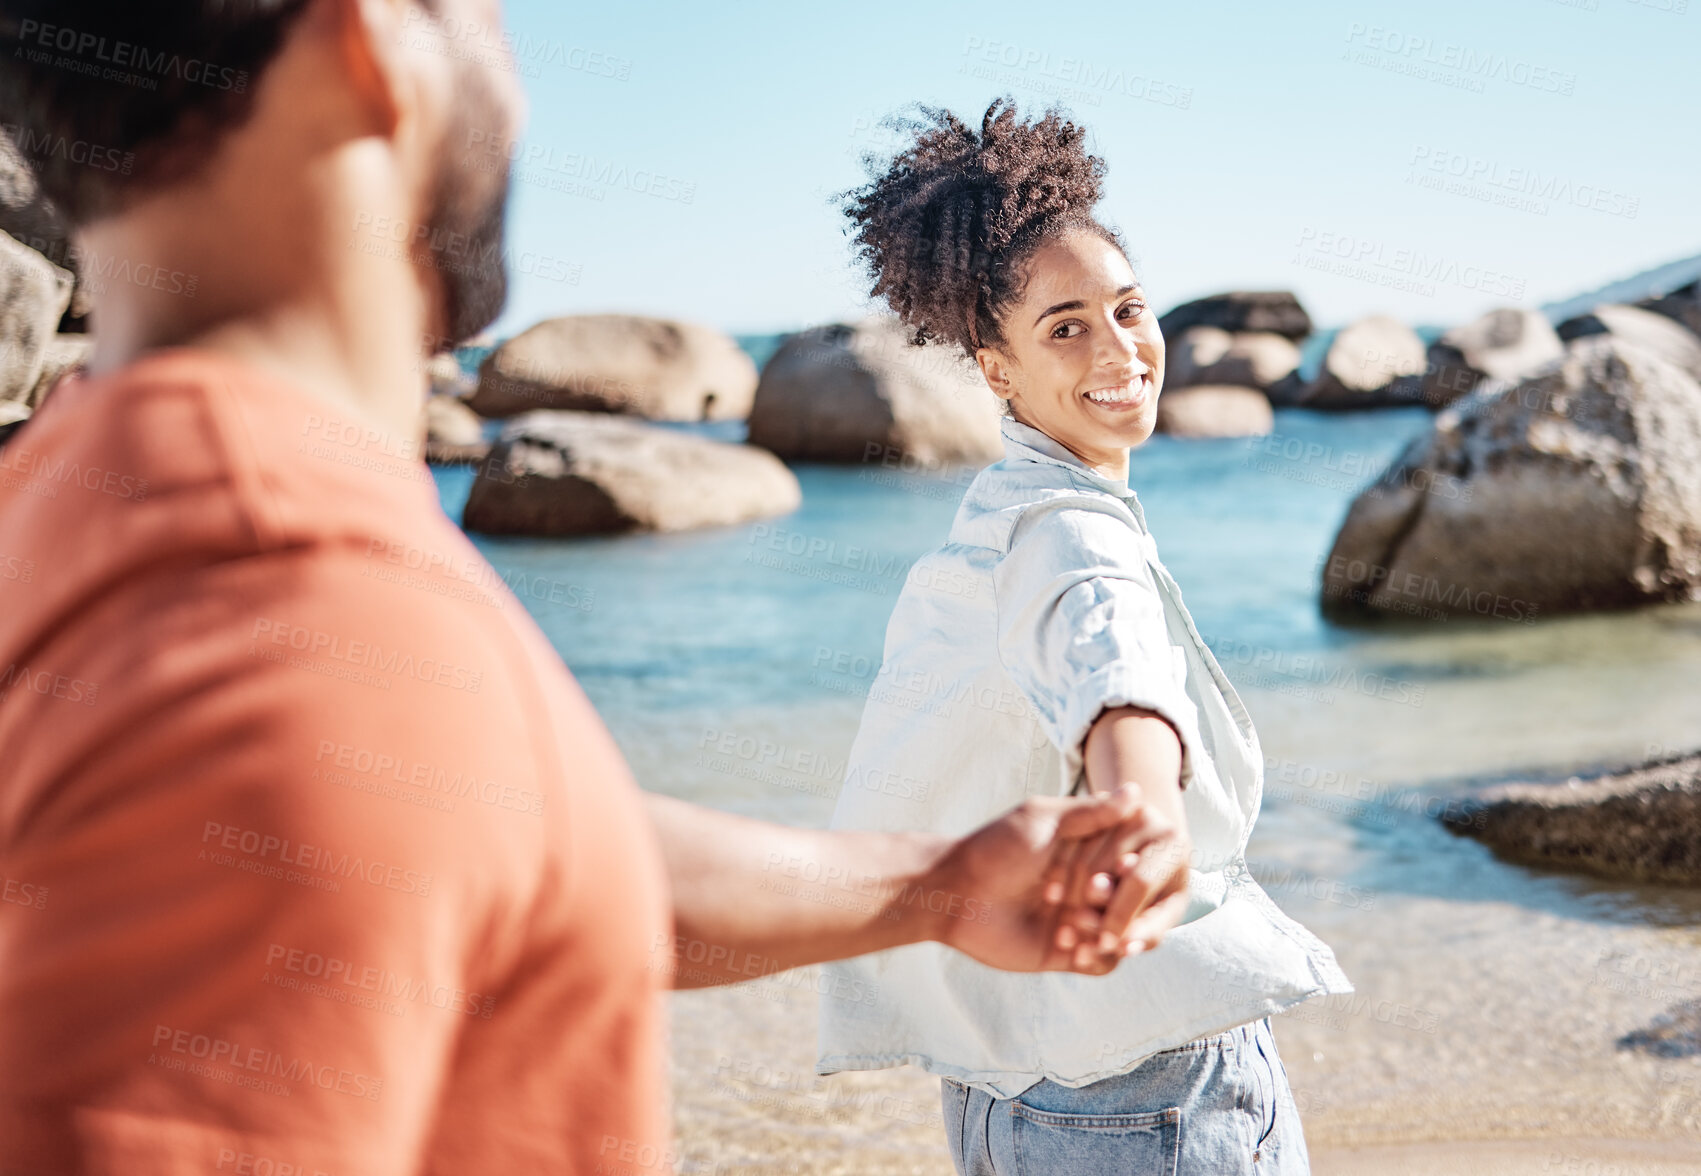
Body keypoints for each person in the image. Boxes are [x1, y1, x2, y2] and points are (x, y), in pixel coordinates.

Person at [0, 4, 1186, 1174]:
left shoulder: (76, 507)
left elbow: (481, 838)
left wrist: (930, 890)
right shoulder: (291, 626)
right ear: (371, 46)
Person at [814, 100, 1354, 1175]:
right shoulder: (1063, 533)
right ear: (997, 368)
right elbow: (1110, 663)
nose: (1120, 350)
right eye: (1065, 327)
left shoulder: (993, 516)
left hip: (1008, 1086)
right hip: (1146, 1093)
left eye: (1128, 309)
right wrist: (1142, 804)